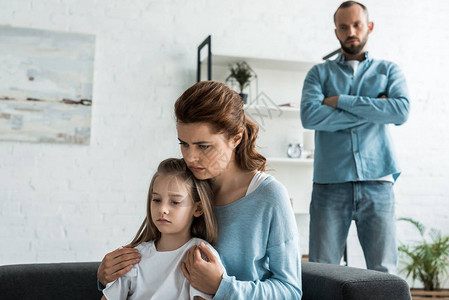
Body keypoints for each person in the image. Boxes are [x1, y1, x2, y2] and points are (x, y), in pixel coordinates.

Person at [98, 81, 302, 299]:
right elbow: (153, 263)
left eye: (203, 146)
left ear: (236, 138)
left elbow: (290, 291)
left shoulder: (269, 197)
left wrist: (222, 287)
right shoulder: (184, 186)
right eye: (184, 144)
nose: (190, 157)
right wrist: (105, 277)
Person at [300, 1, 410, 274]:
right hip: (329, 184)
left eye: (357, 24)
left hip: (378, 182)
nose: (351, 31)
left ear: (368, 27)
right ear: (336, 31)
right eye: (344, 26)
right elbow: (310, 117)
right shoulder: (319, 73)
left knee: (384, 271)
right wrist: (375, 109)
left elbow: (401, 110)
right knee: (323, 270)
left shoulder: (389, 70)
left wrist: (339, 101)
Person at [101, 158, 223, 300]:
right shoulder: (133, 257)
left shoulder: (200, 257)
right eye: (157, 200)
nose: (162, 209)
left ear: (198, 208)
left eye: (175, 202)